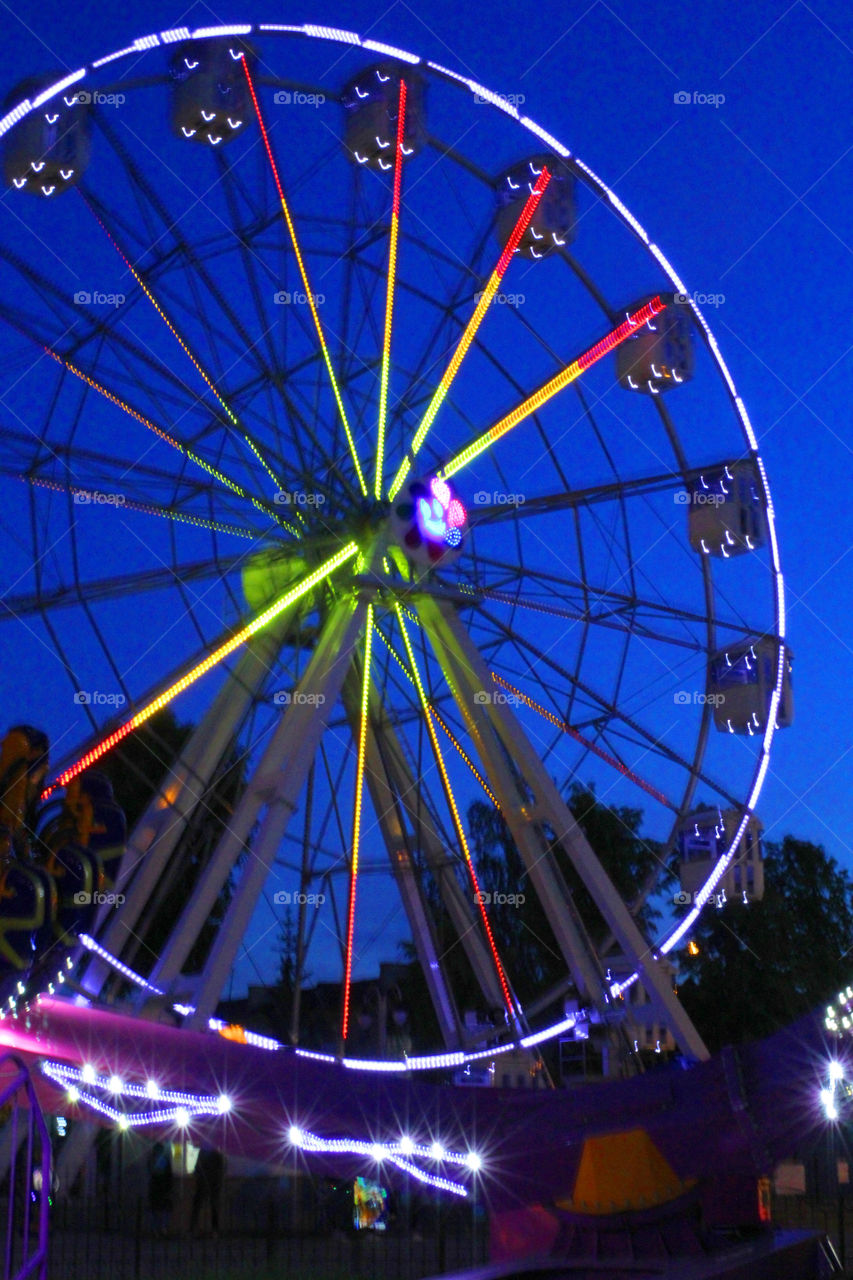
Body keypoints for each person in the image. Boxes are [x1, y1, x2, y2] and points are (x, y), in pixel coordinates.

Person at [191, 1146, 226, 1237]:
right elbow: (221, 1169)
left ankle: (196, 1228)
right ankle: (213, 1230)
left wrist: (198, 1175)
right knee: (211, 1206)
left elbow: (197, 1168)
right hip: (211, 1184)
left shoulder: (207, 1154)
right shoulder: (216, 1154)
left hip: (207, 1183)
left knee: (199, 1205)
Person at [147, 1141, 173, 1237]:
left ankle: (156, 1229)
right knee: (163, 1209)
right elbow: (167, 1174)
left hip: (155, 1186)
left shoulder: (152, 1159)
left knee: (155, 1209)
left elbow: (152, 1171)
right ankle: (162, 1229)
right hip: (162, 1187)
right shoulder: (163, 1160)